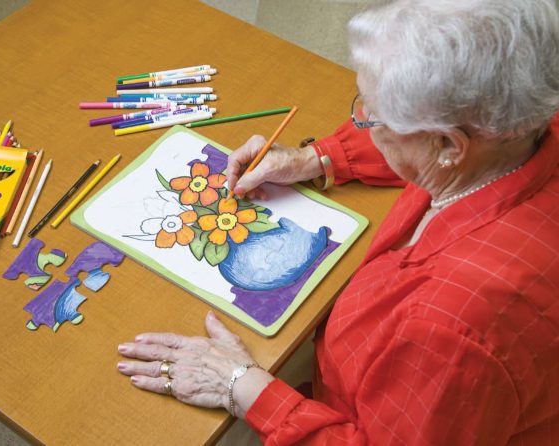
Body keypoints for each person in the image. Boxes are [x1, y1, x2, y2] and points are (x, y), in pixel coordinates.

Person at [117, 0, 559, 443]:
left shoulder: (447, 330)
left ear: (448, 145)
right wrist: (315, 158)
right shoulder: (520, 126)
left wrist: (239, 385)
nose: (360, 119)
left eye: (373, 114)